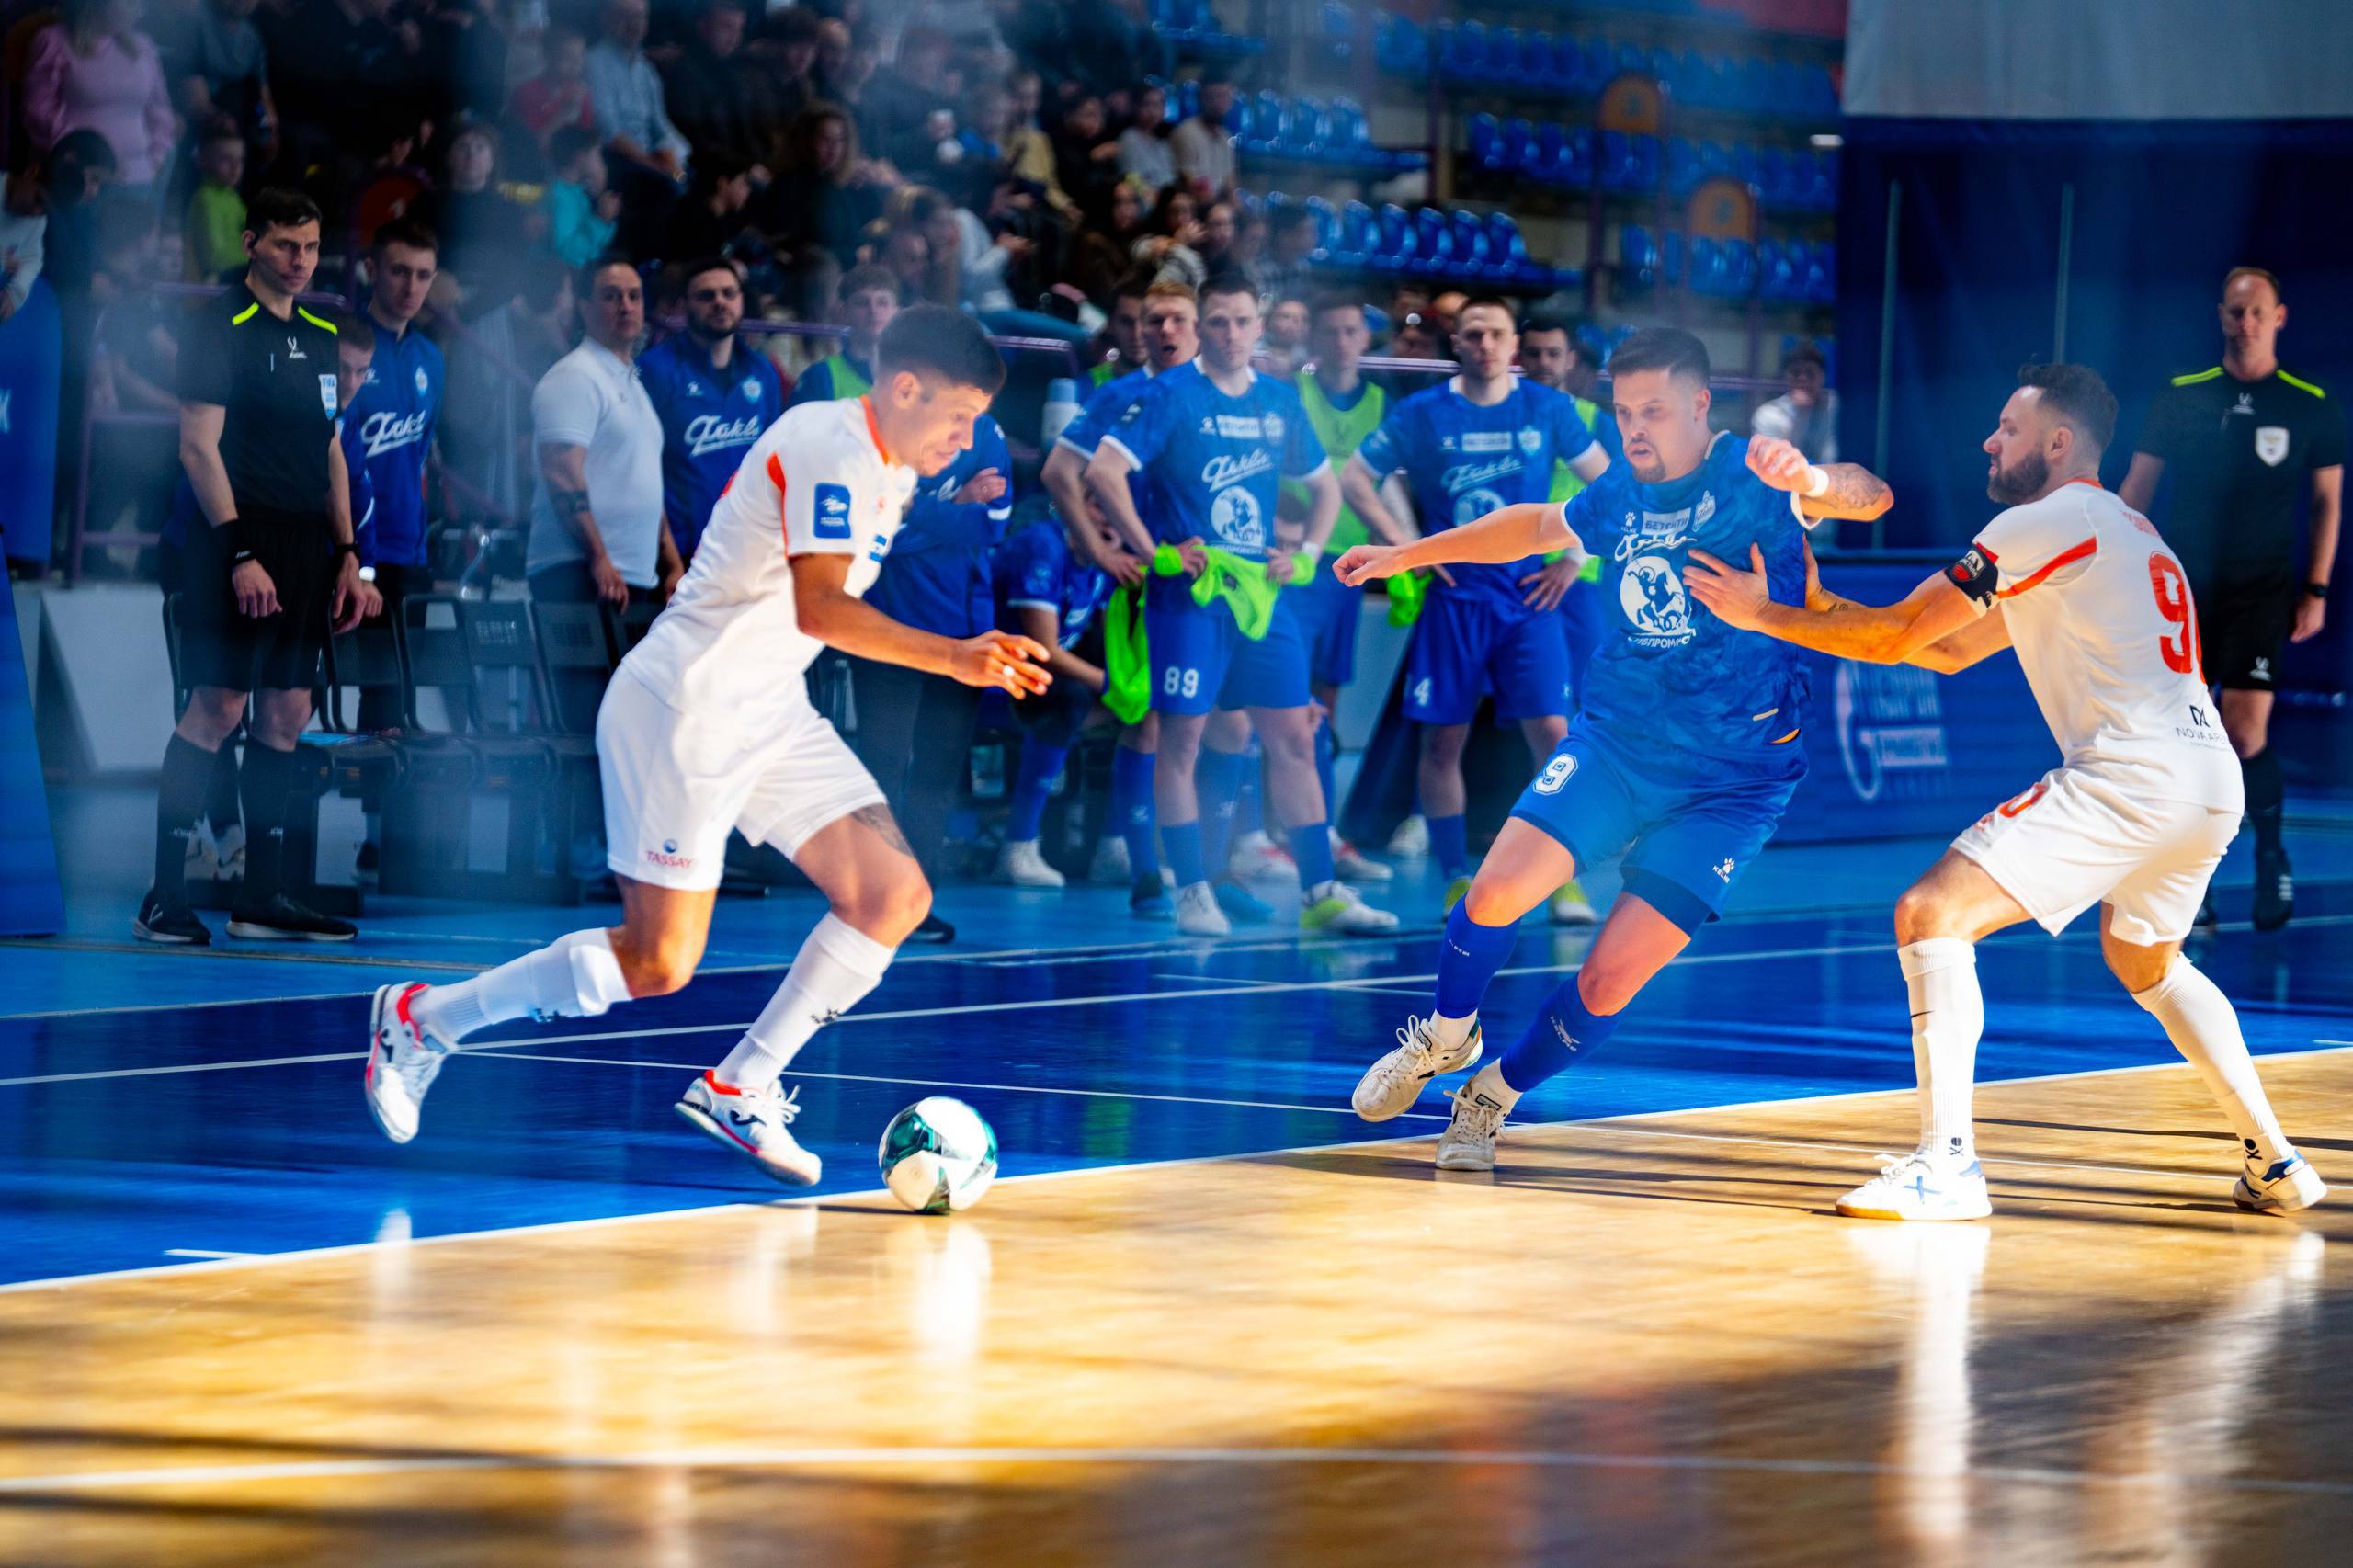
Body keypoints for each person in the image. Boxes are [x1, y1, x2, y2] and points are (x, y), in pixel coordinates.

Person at [362, 306, 1051, 1184]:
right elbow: (821, 610)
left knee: (892, 895)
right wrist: (956, 656)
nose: (968, 437)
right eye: (960, 415)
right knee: (658, 963)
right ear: (906, 388)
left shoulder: (893, 471)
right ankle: (425, 1019)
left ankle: (741, 1085)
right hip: (684, 710)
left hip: (770, 710)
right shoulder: (830, 445)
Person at [1686, 362, 2325, 1221]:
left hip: (2132, 775)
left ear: (2058, 442)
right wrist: (1817, 603)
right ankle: (2276, 1160)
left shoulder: (2043, 521)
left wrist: (1762, 615)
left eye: (2009, 429)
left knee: (1931, 914)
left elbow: (1902, 633)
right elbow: (1948, 650)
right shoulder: (2123, 529)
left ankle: (1947, 1167)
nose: (1990, 442)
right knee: (2148, 962)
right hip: (2207, 781)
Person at [1333, 327, 1891, 1168]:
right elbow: (1531, 525)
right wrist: (1405, 555)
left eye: (1653, 411)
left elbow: (1871, 495)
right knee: (1495, 892)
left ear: (1700, 406)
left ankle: (1492, 1096)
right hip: (1620, 745)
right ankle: (1446, 1037)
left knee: (1607, 980)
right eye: (1624, 412)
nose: (1634, 429)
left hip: (1732, 784)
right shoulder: (1622, 490)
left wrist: (1810, 480)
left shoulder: (1754, 475)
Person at [1087, 277, 1397, 937]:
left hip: (1260, 596)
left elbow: (1327, 489)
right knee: (1181, 741)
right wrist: (1152, 551)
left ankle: (1321, 893)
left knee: (1293, 737)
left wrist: (1307, 554)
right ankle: (1192, 890)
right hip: (1189, 598)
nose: (1230, 334)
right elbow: (1101, 473)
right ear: (1200, 327)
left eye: (1241, 322)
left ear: (1260, 327)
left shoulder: (1279, 400)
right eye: (1218, 322)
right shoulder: (1171, 393)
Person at [137, 187, 381, 947]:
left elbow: (330, 448)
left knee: (287, 714)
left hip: (309, 548)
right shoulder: (218, 326)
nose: (299, 260)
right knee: (218, 708)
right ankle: (163, 897)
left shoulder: (322, 332)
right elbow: (196, 447)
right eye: (284, 244)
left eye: (310, 247)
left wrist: (348, 555)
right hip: (235, 541)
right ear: (251, 244)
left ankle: (262, 897)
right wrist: (240, 551)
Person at [1341, 297, 1610, 919]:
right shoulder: (1423, 412)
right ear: (1457, 344)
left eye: (1496, 334)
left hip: (1525, 602)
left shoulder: (1547, 408)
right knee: (1442, 744)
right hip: (1454, 603)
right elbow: (1355, 479)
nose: (1485, 344)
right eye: (1473, 334)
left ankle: (1559, 879)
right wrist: (1405, 549)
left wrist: (1574, 558)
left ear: (1513, 345)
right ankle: (1456, 878)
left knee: (1556, 738)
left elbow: (1611, 485)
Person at [2120, 267, 2344, 932]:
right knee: (2186, 736)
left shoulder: (2310, 403)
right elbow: (2137, 488)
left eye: (2257, 312)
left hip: (2262, 591)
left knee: (2243, 734)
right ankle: (2194, 883)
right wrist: (2107, 560)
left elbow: (2328, 503)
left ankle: (2271, 856)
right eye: (2236, 312)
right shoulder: (2182, 396)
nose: (2246, 323)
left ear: (2279, 318)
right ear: (2221, 316)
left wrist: (2316, 589)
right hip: (2182, 590)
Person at [1041, 277, 1199, 917]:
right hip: (1149, 584)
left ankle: (1210, 870)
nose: (1160, 331)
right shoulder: (1120, 395)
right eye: (1149, 320)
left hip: (1215, 583)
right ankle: (1143, 870)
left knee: (1226, 723)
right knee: (1148, 719)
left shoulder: (1227, 395)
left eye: (1175, 319)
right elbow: (1058, 473)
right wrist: (1103, 551)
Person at [851, 409, 1017, 940]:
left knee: (938, 775)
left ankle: (915, 901)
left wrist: (919, 509)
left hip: (963, 633)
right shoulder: (891, 425)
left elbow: (993, 524)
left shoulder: (985, 431)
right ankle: (871, 895)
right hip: (887, 626)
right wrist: (956, 508)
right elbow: (876, 536)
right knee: (882, 764)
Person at [525, 256, 676, 744]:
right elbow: (561, 470)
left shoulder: (630, 382)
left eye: (634, 296)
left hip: (630, 576)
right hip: (578, 572)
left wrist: (672, 563)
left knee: (625, 726)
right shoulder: (574, 376)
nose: (625, 306)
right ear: (585, 307)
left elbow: (644, 483)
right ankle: (574, 804)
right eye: (611, 296)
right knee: (585, 725)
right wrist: (599, 557)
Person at [1287, 291, 1390, 884]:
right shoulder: (1292, 394)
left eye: (1352, 331)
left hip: (1349, 568)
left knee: (1326, 703)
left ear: (1365, 338)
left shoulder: (1379, 403)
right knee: (1283, 701)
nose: (1342, 341)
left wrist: (1403, 547)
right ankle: (1274, 834)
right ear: (1314, 340)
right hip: (1297, 564)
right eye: (1330, 332)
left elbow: (1383, 483)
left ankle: (1320, 830)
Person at [345, 219, 444, 730]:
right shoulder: (343, 347)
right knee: (307, 692)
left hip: (408, 550)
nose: (411, 287)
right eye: (400, 271)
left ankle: (381, 790)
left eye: (423, 275)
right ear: (371, 269)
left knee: (394, 703)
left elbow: (419, 455)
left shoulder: (432, 359)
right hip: (346, 547)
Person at [991, 504, 1118, 887]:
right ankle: (1018, 847)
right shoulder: (1043, 546)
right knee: (1070, 701)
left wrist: (1131, 691)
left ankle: (1115, 848)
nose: (1107, 519)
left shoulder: (1102, 559)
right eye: (1098, 506)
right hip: (995, 673)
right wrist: (1112, 686)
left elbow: (1107, 640)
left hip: (1045, 677)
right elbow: (1042, 648)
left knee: (1149, 710)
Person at [638, 257, 787, 561]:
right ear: (684, 306)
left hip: (748, 549)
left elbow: (773, 461)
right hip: (680, 551)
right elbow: (638, 470)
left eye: (728, 293)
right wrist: (668, 556)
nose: (719, 302)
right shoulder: (655, 370)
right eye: (706, 296)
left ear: (741, 302)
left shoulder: (762, 371)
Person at [1518, 313, 1616, 740]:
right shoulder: (1502, 415)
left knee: (1586, 700)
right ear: (1519, 357)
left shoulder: (1597, 421)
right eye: (1534, 353)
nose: (1543, 362)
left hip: (1576, 580)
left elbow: (1621, 501)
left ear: (1570, 360)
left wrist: (1574, 559)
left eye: (1553, 354)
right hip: (1512, 574)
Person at [24, 0, 176, 195]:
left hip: (140, 177)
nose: (139, 11)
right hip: (79, 179)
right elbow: (39, 111)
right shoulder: (54, 41)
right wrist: (88, 157)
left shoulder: (143, 46)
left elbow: (160, 110)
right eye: (130, 3)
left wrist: (156, 158)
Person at [585, 0, 690, 189]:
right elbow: (609, 132)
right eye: (625, 16)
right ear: (605, 19)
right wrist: (654, 165)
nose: (634, 24)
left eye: (640, 17)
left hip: (651, 158)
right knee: (674, 187)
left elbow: (659, 126)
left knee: (692, 178)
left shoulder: (645, 69)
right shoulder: (595, 64)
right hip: (618, 160)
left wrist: (673, 163)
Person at [787, 262, 899, 406]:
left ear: (897, 312)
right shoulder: (820, 377)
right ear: (844, 312)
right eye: (862, 303)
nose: (873, 311)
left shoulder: (913, 375)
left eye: (882, 303)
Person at [544, 128, 621, 267]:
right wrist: (600, 220)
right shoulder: (561, 198)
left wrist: (603, 213)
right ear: (579, 158)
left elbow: (596, 248)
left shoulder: (579, 193)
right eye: (597, 155)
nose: (602, 163)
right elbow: (567, 255)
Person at [1750, 341, 1836, 462]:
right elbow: (1773, 463)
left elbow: (1834, 457)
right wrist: (1801, 414)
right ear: (1786, 376)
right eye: (1796, 373)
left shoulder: (1836, 409)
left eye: (1810, 373)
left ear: (1822, 377)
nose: (1803, 378)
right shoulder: (1769, 415)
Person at [183, 119, 246, 280]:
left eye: (240, 160)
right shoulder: (205, 199)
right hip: (218, 280)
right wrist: (257, 259)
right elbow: (215, 258)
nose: (235, 167)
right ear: (203, 160)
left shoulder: (231, 196)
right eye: (226, 159)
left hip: (238, 272)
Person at [1169, 74, 1236, 199]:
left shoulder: (1225, 136)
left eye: (1225, 96)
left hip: (1217, 205)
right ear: (1201, 98)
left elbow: (1229, 185)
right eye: (1214, 97)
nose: (1219, 104)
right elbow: (1190, 185)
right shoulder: (1186, 133)